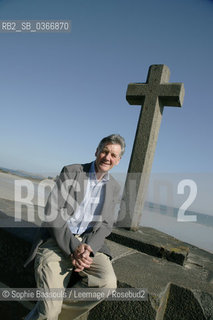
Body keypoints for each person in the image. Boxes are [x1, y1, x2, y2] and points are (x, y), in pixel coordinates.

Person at [24, 134, 125, 320]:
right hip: (58, 239)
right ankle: (47, 311)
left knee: (107, 283)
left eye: (113, 155)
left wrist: (89, 249)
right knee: (49, 311)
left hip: (89, 244)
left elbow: (106, 224)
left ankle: (45, 311)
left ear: (118, 161)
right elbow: (53, 214)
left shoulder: (115, 188)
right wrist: (74, 248)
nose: (107, 157)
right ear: (97, 151)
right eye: (105, 151)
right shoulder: (71, 172)